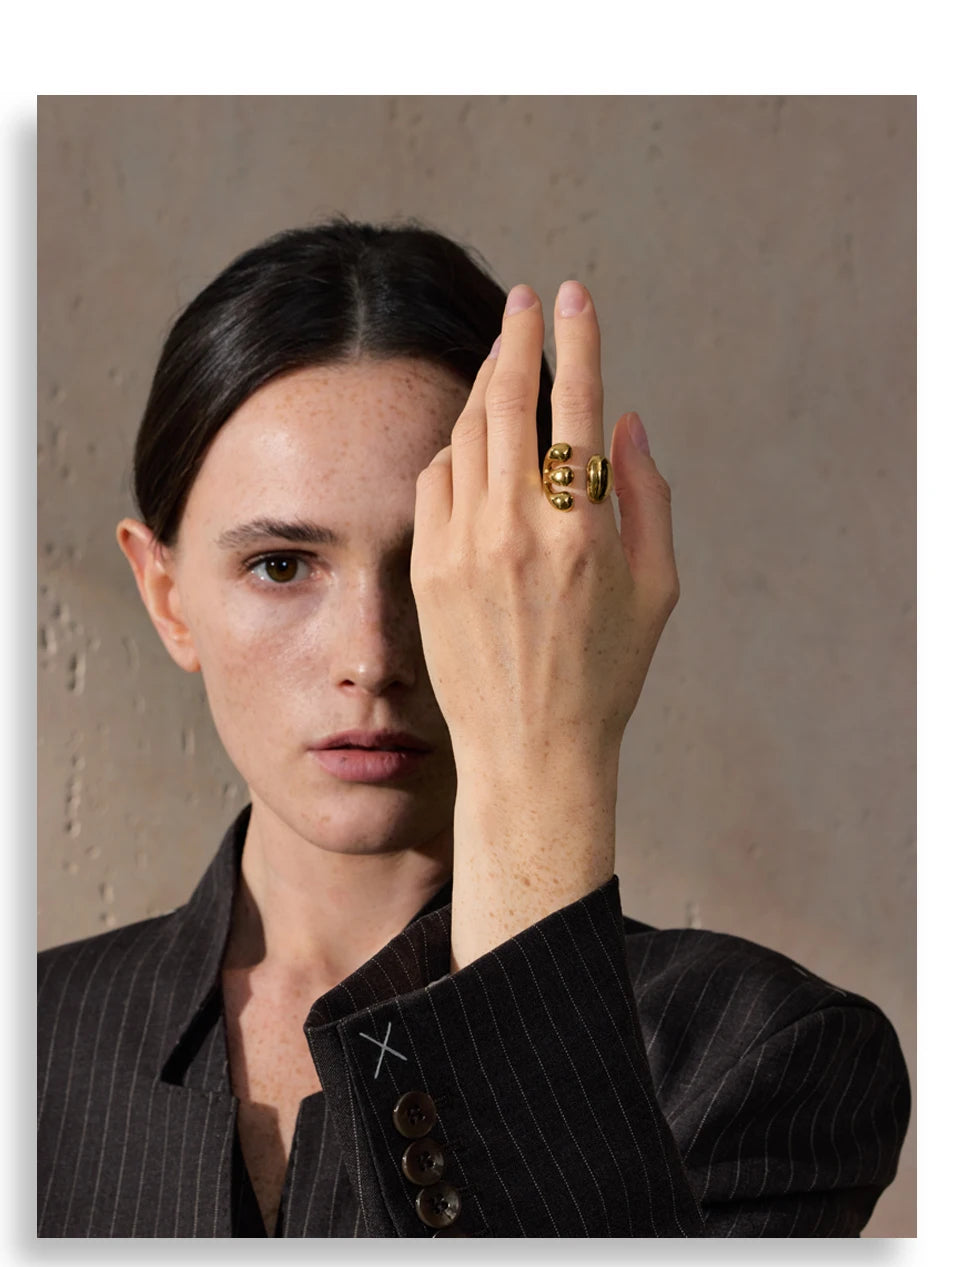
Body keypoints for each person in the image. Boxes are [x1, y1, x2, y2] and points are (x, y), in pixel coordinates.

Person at [37, 217, 910, 1238]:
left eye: (434, 567)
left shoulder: (754, 1052)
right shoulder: (33, 1042)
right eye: (281, 565)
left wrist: (549, 757)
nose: (370, 655)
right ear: (167, 596)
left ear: (550, 584)